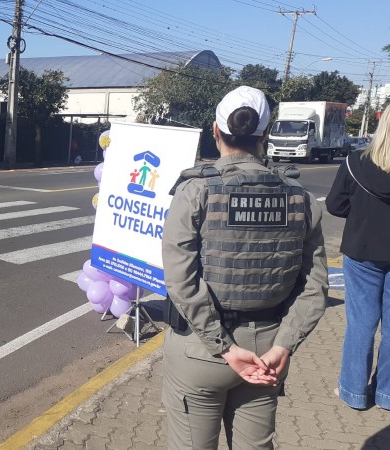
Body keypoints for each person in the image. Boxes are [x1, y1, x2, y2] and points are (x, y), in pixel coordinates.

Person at [161, 86, 328, 449]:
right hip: (268, 351)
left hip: (200, 351)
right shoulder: (299, 197)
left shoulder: (195, 191)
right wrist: (284, 346)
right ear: (265, 135)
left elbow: (180, 280)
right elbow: (314, 287)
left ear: (216, 131)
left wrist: (224, 348)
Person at [326, 104, 390, 410]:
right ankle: (387, 394)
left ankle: (353, 390)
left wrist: (362, 214)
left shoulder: (355, 162)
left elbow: (335, 205)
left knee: (361, 322)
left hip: (362, 252)